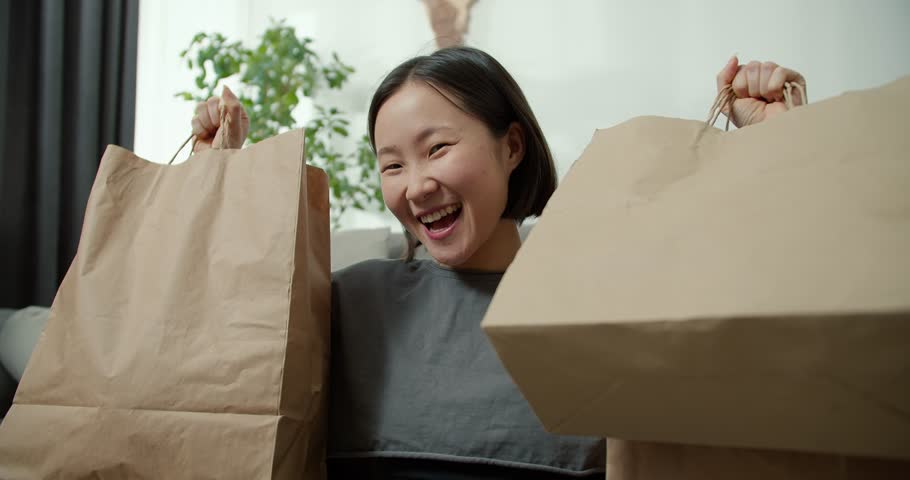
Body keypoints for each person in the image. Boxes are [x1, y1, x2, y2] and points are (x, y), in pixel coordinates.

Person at [191, 47, 806, 479]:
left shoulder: (602, 298)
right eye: (392, 164)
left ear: (511, 146)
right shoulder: (350, 302)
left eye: (437, 149)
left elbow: (766, 325)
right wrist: (216, 179)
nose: (416, 184)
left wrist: (774, 145)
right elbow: (219, 346)